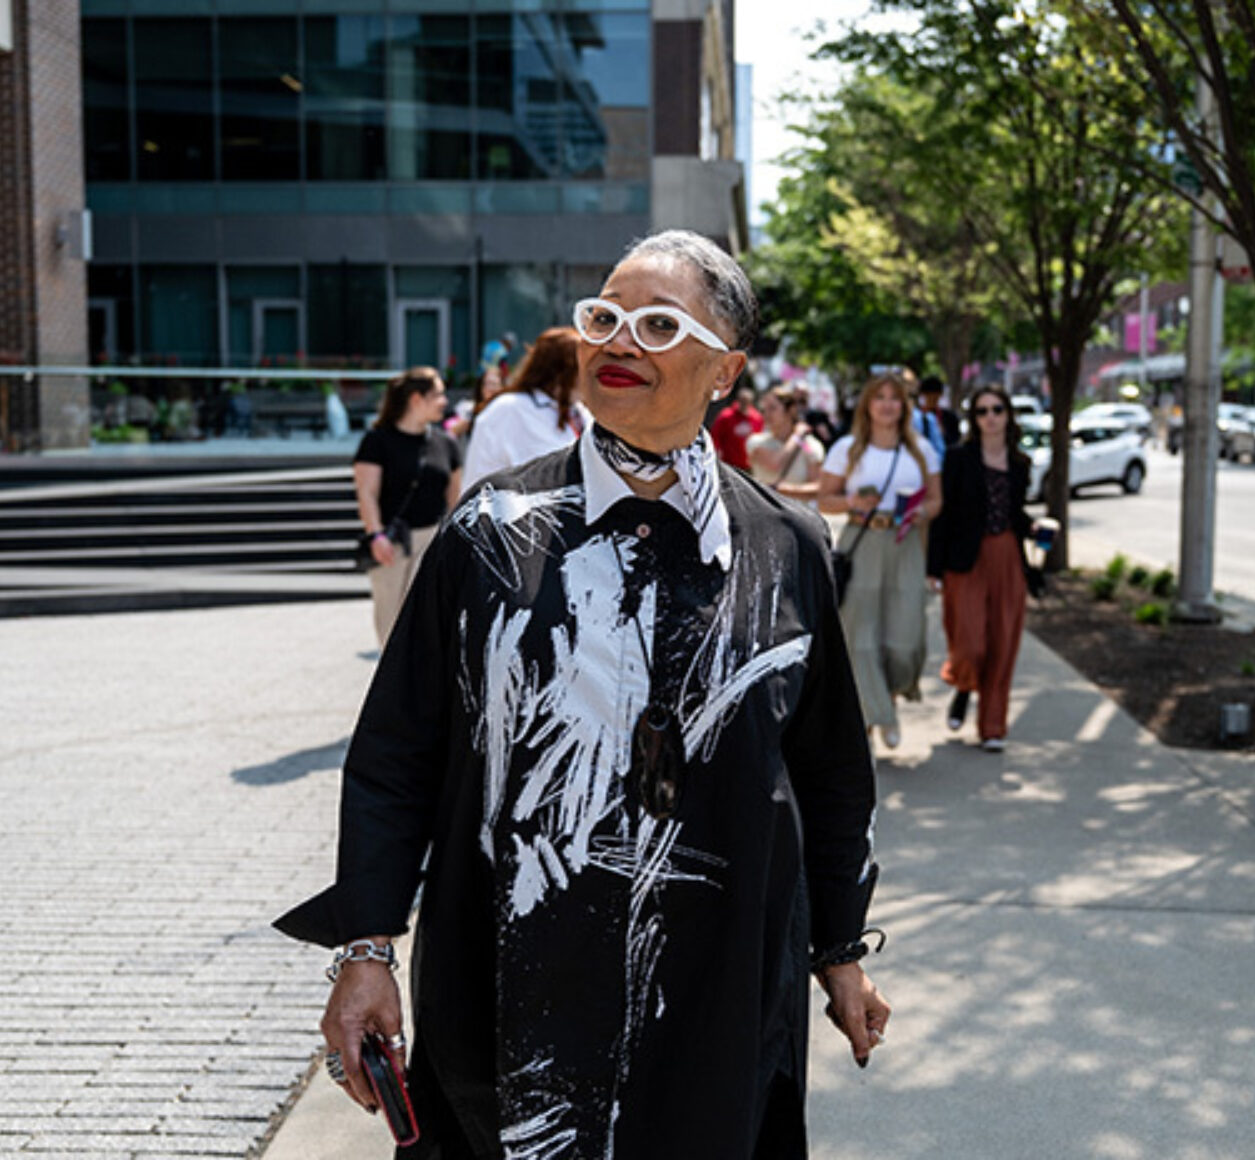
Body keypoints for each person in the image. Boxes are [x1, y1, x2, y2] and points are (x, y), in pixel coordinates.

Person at [277, 229, 889, 1159]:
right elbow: (397, 753)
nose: (618, 343)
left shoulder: (785, 547)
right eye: (603, 319)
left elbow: (830, 768)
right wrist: (366, 949)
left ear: (725, 370)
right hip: (511, 1000)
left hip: (717, 1001)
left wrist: (839, 951)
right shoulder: (490, 534)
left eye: (655, 324)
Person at [817, 370, 943, 751]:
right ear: (868, 405)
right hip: (862, 539)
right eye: (880, 397)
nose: (887, 404)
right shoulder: (848, 448)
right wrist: (854, 501)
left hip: (905, 542)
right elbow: (825, 500)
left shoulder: (920, 448)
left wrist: (920, 513)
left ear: (904, 405)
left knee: (905, 636)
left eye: (895, 397)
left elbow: (937, 500)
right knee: (861, 636)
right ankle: (873, 716)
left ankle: (887, 698)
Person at [926, 385, 1038, 750]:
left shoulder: (1021, 464)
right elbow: (944, 516)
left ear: (1008, 415)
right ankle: (963, 685)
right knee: (970, 642)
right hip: (965, 558)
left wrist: (1033, 526)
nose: (990, 417)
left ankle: (992, 727)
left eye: (997, 410)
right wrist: (934, 567)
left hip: (1007, 554)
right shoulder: (959, 458)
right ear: (974, 419)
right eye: (982, 411)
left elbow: (1015, 512)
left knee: (1003, 644)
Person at [352, 367, 463, 646]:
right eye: (438, 395)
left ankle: (425, 687)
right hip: (392, 542)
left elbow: (455, 500)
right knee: (390, 625)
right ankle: (394, 687)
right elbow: (366, 493)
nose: (444, 402)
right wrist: (375, 535)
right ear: (416, 399)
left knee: (429, 624)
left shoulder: (446, 444)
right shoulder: (377, 441)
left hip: (433, 541)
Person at [459, 326, 586, 491]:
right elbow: (476, 483)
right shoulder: (508, 410)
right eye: (583, 368)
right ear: (562, 372)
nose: (591, 376)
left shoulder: (580, 412)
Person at [745, 384, 825, 508]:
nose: (766, 414)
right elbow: (774, 464)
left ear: (791, 410)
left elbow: (817, 487)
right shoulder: (755, 441)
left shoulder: (809, 446)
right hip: (761, 515)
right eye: (764, 409)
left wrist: (784, 490)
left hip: (797, 519)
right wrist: (797, 436)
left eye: (772, 408)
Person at [708, 380, 763, 469]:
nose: (744, 405)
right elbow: (715, 437)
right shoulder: (726, 416)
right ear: (738, 401)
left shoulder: (756, 418)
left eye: (747, 402)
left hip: (748, 465)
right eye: (742, 401)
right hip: (729, 464)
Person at [916, 375, 961, 452]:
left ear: (940, 396)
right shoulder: (915, 416)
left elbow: (955, 442)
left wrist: (942, 434)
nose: (931, 401)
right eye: (928, 397)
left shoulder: (950, 418)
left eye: (935, 398)